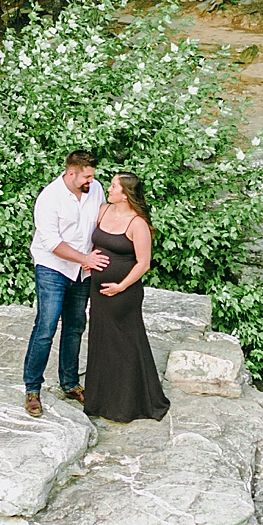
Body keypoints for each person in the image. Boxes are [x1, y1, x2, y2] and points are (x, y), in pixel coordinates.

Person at [23, 149, 107, 417]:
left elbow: (102, 225)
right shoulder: (49, 198)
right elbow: (51, 243)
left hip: (83, 270)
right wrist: (85, 258)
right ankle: (32, 389)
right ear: (71, 173)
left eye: (92, 176)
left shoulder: (96, 190)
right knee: (46, 325)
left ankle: (70, 383)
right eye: (86, 176)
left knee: (75, 326)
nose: (90, 181)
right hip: (53, 267)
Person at [82, 171, 170, 423]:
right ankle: (100, 400)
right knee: (101, 340)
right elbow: (95, 243)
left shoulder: (137, 224)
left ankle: (127, 403)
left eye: (113, 187)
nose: (108, 190)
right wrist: (89, 261)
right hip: (99, 291)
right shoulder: (103, 211)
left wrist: (120, 286)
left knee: (124, 344)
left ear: (125, 195)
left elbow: (143, 263)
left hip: (124, 294)